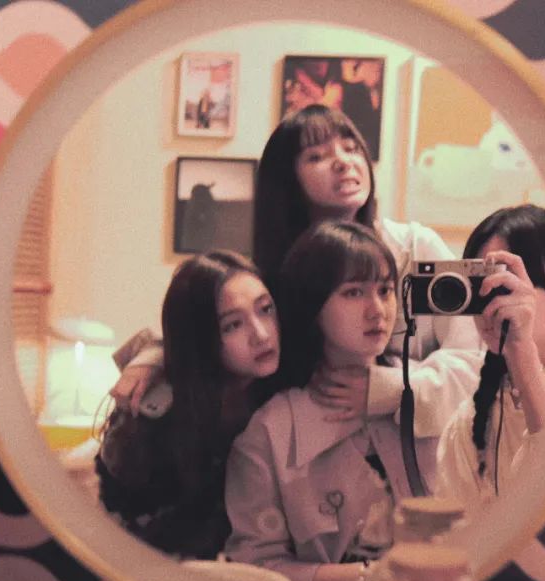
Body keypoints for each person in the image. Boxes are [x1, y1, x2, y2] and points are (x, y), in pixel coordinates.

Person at [114, 105, 481, 440]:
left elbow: (474, 358)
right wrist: (153, 359)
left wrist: (395, 388)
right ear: (288, 180)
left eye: (352, 148)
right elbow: (206, 329)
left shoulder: (415, 247)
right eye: (317, 156)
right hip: (306, 449)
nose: (343, 162)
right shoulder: (273, 268)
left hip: (414, 449)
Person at [223, 221, 436, 581]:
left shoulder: (432, 391)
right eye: (353, 292)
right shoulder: (269, 434)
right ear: (312, 304)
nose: (377, 310)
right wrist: (365, 576)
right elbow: (256, 568)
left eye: (385, 290)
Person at [96, 250, 279, 559]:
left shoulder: (279, 389)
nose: (261, 335)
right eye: (232, 325)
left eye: (265, 309)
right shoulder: (152, 424)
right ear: (200, 337)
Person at [434, 205, 545, 507]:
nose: (491, 307)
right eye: (480, 288)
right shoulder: (468, 426)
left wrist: (522, 351)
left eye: (506, 286)